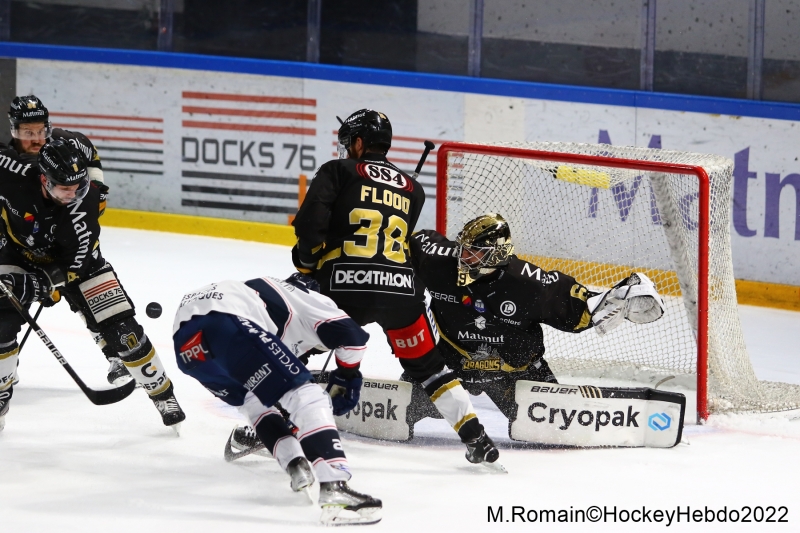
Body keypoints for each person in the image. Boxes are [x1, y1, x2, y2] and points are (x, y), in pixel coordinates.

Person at [291, 109, 500, 466]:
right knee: (431, 368)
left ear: (357, 143)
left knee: (290, 344)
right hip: (401, 292)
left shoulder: (336, 171)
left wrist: (306, 265)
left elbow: (311, 227)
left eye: (347, 143)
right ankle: (476, 437)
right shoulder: (412, 188)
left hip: (343, 290)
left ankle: (267, 424)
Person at [406, 213, 666, 425]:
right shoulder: (438, 262)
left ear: (496, 254)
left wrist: (616, 299)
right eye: (463, 249)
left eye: (472, 253)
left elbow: (581, 309)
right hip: (449, 366)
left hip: (514, 373)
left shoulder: (529, 284)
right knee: (398, 412)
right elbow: (410, 242)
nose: (463, 258)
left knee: (556, 430)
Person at [0, 140, 184, 432]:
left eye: (78, 187)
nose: (73, 195)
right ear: (44, 179)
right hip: (16, 252)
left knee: (125, 334)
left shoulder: (83, 208)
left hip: (77, 265)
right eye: (65, 189)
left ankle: (163, 395)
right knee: (1, 327)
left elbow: (74, 267)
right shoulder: (12, 172)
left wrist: (39, 285)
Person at [172, 273, 382, 526]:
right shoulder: (311, 297)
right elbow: (352, 337)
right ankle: (334, 483)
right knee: (307, 394)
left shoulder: (265, 293)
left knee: (254, 403)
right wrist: (347, 376)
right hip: (224, 322)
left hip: (188, 351)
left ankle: (295, 465)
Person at [4, 94, 126, 384]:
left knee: (81, 285)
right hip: (23, 245)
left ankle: (114, 354)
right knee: (8, 297)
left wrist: (96, 189)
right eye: (26, 133)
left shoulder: (67, 144)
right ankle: (6, 361)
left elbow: (90, 155)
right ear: (13, 131)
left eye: (41, 131)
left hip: (63, 237)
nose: (36, 139)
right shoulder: (7, 164)